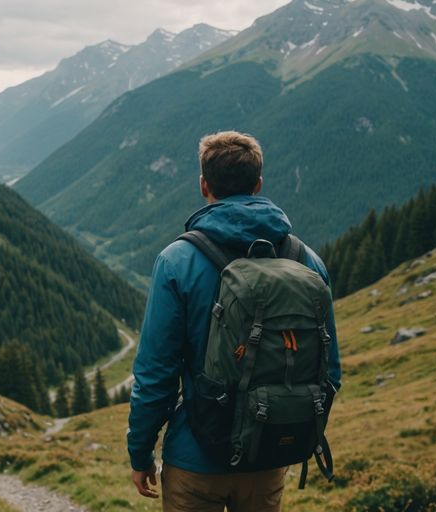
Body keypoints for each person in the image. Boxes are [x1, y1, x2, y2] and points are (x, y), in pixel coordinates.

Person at [126, 131, 342, 511]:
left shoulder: (177, 261)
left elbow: (156, 373)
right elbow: (330, 372)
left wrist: (140, 453)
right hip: (268, 456)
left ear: (203, 185)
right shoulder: (306, 260)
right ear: (258, 185)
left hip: (195, 460)